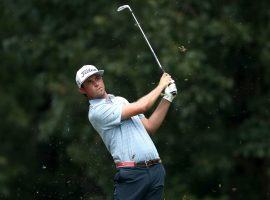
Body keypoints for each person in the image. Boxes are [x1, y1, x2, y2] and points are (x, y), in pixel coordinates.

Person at [75, 65, 177, 200]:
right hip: (133, 174)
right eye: (89, 81)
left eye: (98, 78)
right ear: (82, 89)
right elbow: (142, 106)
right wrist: (161, 86)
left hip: (156, 170)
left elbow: (150, 126)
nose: (96, 83)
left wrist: (167, 98)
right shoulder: (96, 112)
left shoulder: (120, 101)